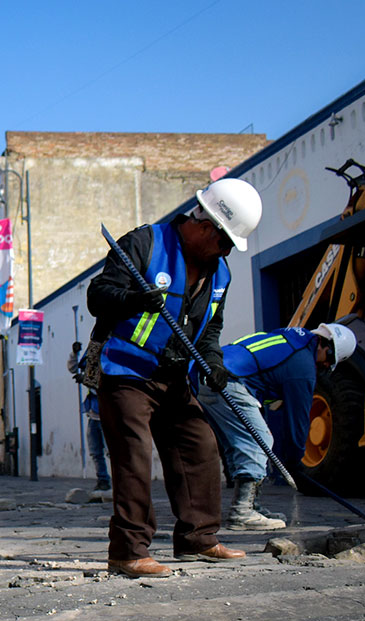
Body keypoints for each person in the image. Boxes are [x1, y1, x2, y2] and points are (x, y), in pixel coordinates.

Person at [87, 177, 263, 578]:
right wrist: (133, 299)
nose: (226, 252)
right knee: (134, 455)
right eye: (225, 242)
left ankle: (197, 538)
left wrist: (214, 363)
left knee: (199, 445)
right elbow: (98, 296)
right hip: (127, 373)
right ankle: (128, 551)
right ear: (205, 225)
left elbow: (211, 330)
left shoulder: (220, 274)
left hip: (175, 376)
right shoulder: (145, 245)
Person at [197, 323, 356, 530]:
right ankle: (242, 512)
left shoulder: (290, 338)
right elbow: (298, 420)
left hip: (209, 375)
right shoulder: (302, 364)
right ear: (326, 347)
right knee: (259, 441)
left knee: (240, 443)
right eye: (329, 360)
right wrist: (295, 461)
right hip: (228, 380)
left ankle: (252, 505)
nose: (325, 367)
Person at [67, 341, 111, 491]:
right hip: (93, 414)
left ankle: (120, 479)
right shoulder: (93, 352)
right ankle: (102, 479)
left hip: (107, 414)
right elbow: (74, 368)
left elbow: (103, 382)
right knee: (96, 452)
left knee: (111, 450)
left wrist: (85, 379)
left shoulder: (109, 356)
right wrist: (74, 354)